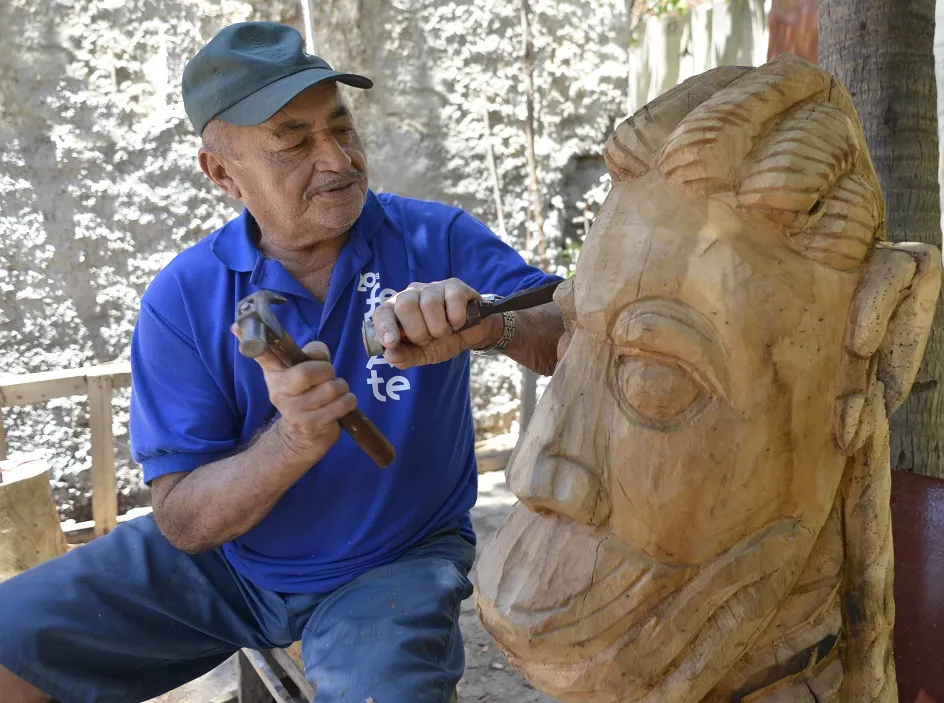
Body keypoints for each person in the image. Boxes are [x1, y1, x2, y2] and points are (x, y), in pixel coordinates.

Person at [0, 21, 563, 703]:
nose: (337, 159)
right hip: (228, 564)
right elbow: (182, 520)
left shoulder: (434, 237)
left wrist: (489, 325)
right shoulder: (184, 298)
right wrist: (292, 442)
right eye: (294, 142)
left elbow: (572, 332)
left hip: (393, 561)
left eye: (342, 127)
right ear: (221, 173)